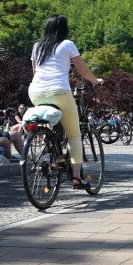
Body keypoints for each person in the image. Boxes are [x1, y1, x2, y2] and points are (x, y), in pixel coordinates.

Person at [28, 14, 103, 189]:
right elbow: (83, 71)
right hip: (59, 91)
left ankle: (48, 146)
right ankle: (77, 178)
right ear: (64, 29)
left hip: (36, 91)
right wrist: (96, 81)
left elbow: (35, 71)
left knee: (48, 121)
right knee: (74, 134)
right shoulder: (67, 44)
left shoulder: (37, 46)